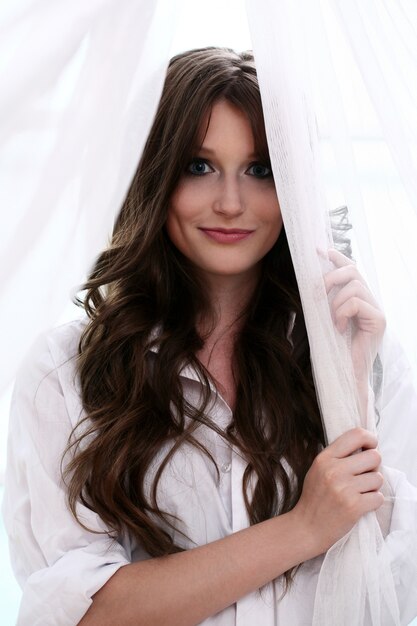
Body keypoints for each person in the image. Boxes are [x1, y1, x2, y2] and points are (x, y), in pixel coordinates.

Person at [3, 47, 415, 626]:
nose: (230, 202)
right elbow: (84, 614)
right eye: (199, 166)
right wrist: (301, 528)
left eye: (261, 170)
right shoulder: (66, 372)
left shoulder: (369, 358)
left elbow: (393, 592)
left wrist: (352, 395)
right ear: (156, 176)